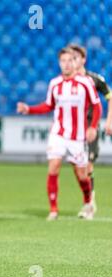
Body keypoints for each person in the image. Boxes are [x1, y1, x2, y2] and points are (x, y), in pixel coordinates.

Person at [17, 48, 102, 221]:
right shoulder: (55, 83)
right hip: (58, 133)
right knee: (54, 166)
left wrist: (92, 127)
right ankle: (53, 210)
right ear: (59, 63)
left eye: (70, 60)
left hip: (78, 137)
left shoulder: (85, 83)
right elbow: (48, 105)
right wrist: (29, 109)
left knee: (81, 174)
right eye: (63, 61)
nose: (66, 64)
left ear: (75, 62)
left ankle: (88, 201)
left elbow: (97, 106)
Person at [68, 43, 112, 217]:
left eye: (75, 57)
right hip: (72, 130)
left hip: (89, 128)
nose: (72, 61)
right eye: (70, 58)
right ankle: (88, 200)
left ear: (83, 60)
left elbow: (110, 97)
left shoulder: (94, 79)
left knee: (88, 164)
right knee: (77, 166)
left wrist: (109, 121)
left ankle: (89, 204)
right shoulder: (66, 81)